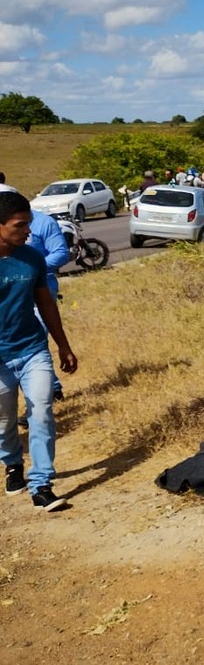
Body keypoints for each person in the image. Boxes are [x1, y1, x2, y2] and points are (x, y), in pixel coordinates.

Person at [0, 187, 78, 511]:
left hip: (33, 349)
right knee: (4, 421)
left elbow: (45, 303)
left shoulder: (32, 257)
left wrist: (63, 345)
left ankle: (42, 484)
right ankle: (12, 463)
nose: (27, 231)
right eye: (19, 225)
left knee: (42, 412)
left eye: (28, 223)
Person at [27, 208, 69, 401]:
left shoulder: (43, 222)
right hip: (12, 293)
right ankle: (52, 389)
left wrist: (32, 269)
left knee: (35, 342)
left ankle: (44, 396)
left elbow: (61, 253)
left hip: (42, 290)